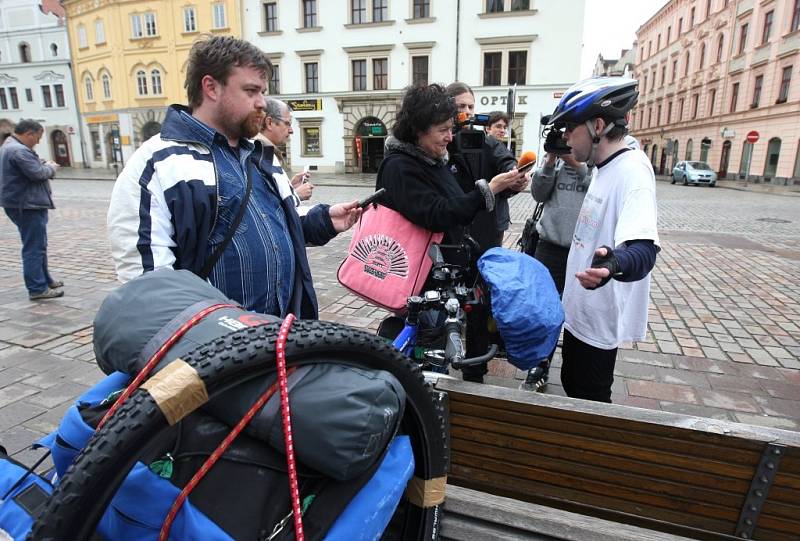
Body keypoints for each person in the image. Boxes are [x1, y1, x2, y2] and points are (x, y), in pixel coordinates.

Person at [107, 36, 360, 318]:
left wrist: (325, 219)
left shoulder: (259, 155)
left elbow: (282, 226)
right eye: (251, 91)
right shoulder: (159, 164)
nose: (262, 103)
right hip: (220, 353)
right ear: (211, 87)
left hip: (283, 338)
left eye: (263, 92)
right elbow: (150, 289)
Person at [376, 84, 527, 383]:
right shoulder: (400, 166)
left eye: (451, 128)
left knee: (440, 350)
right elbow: (438, 212)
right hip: (421, 284)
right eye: (443, 130)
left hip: (442, 276)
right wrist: (489, 189)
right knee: (425, 366)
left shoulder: (431, 158)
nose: (450, 136)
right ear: (419, 129)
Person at [544, 76, 659, 403]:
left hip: (599, 318)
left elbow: (643, 249)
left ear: (597, 125)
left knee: (590, 402)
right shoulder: (604, 166)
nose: (565, 136)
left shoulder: (632, 172)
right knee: (573, 386)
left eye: (570, 128)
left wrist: (613, 264)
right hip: (580, 312)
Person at [446, 82, 523, 383]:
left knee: (477, 303)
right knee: (443, 300)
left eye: (469, 106)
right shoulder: (441, 140)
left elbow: (507, 161)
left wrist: (515, 176)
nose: (465, 112)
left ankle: (475, 367)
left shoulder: (484, 140)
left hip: (483, 235)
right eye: (459, 106)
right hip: (448, 234)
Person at [520, 149, 590, 391]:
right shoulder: (557, 159)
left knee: (578, 311)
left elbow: (597, 190)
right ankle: (539, 365)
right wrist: (550, 161)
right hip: (549, 246)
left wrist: (576, 163)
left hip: (583, 251)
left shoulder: (595, 156)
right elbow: (538, 194)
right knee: (543, 312)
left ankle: (577, 372)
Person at [0, 119, 64, 300]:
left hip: (22, 204)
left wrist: (40, 163)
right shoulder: (18, 150)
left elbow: (30, 168)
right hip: (27, 205)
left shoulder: (10, 146)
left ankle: (45, 280)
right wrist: (50, 167)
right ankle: (37, 288)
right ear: (29, 133)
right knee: (34, 248)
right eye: (38, 137)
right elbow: (37, 173)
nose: (38, 141)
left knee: (38, 245)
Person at [255, 97, 313, 208]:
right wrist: (296, 195)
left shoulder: (266, 153)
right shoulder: (258, 156)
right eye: (287, 124)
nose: (291, 130)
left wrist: (289, 187)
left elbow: (271, 196)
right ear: (269, 123)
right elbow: (267, 212)